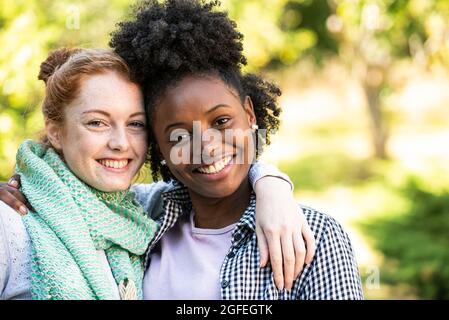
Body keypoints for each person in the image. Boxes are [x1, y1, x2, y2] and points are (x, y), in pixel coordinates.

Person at [0, 47, 314, 299]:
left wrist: (270, 184)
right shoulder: (12, 223)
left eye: (135, 124)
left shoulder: (142, 214)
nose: (120, 143)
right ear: (55, 131)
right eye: (97, 122)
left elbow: (215, 175)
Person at [107, 0, 364, 299]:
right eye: (180, 136)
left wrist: (270, 182)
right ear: (158, 145)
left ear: (250, 115)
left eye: (221, 121)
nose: (207, 147)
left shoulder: (315, 238)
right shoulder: (139, 222)